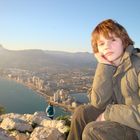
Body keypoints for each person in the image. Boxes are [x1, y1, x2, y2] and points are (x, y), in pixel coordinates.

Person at [67, 19, 140, 140]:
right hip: (124, 119)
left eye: (113, 40)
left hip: (136, 129)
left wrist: (109, 114)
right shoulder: (110, 66)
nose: (107, 46)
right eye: (101, 43)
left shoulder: (137, 65)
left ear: (124, 42)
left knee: (93, 131)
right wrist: (104, 65)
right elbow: (98, 103)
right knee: (81, 113)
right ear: (97, 49)